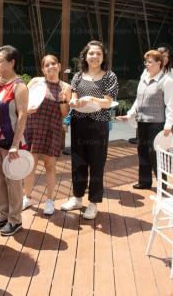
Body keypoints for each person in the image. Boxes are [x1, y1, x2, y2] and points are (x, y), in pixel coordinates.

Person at [60, 40, 118, 219]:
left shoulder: (109, 76)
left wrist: (92, 99)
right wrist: (73, 100)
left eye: (98, 54)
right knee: (78, 162)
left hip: (98, 125)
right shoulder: (78, 76)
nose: (94, 57)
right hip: (79, 122)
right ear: (85, 56)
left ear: (103, 57)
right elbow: (75, 96)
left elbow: (108, 102)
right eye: (91, 53)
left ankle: (93, 203)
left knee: (97, 163)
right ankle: (77, 198)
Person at [117, 50, 173, 190]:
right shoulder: (144, 76)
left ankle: (163, 184)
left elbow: (170, 105)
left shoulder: (167, 81)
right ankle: (145, 181)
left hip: (156, 123)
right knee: (142, 150)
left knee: (155, 153)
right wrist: (130, 114)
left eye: (149, 62)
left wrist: (168, 124)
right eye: (145, 61)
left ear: (159, 63)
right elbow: (139, 99)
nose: (146, 64)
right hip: (142, 121)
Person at [0, 45, 28, 236]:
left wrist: (15, 145)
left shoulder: (19, 86)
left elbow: (22, 116)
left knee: (14, 182)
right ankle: (3, 214)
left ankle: (15, 219)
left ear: (12, 62)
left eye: (0, 61)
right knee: (1, 179)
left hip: (12, 142)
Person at [23, 54, 71, 215]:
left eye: (53, 63)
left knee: (50, 166)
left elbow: (65, 114)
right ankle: (27, 197)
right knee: (31, 165)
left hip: (52, 130)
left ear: (59, 65)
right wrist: (25, 109)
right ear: (43, 69)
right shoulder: (36, 82)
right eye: (47, 65)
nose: (51, 66)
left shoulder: (66, 87)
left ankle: (49, 200)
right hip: (33, 128)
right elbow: (23, 101)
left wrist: (64, 100)